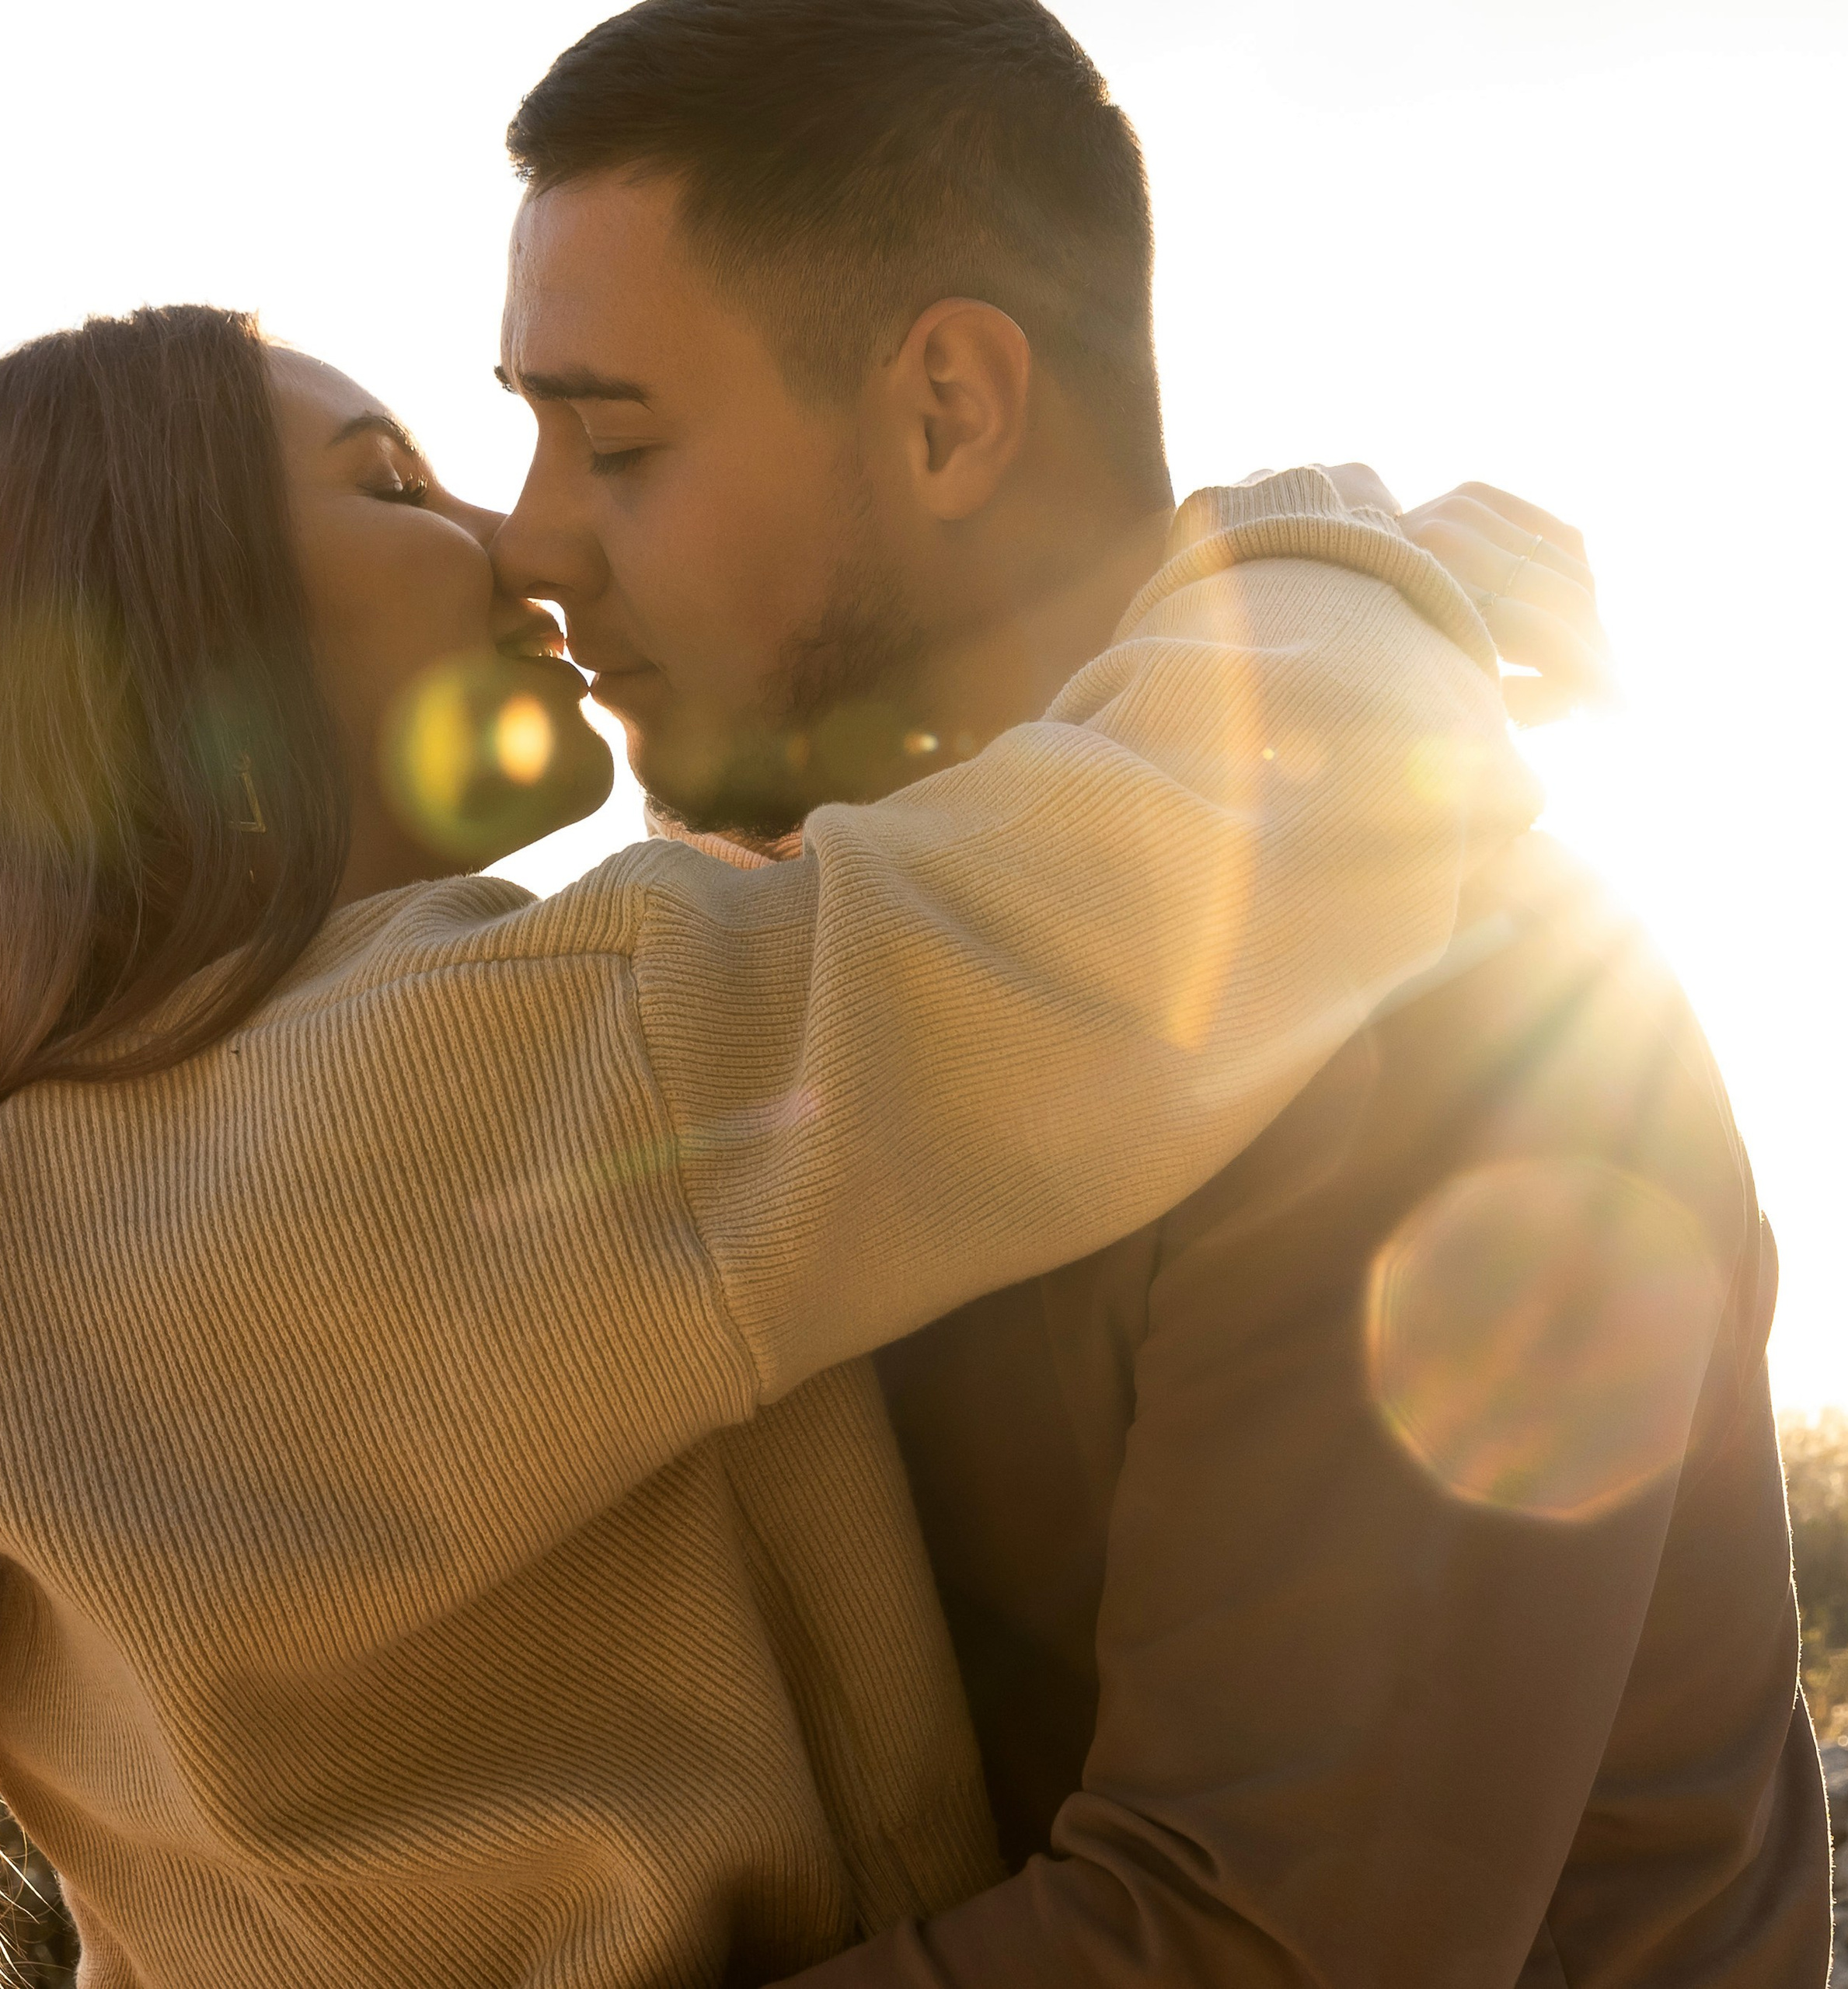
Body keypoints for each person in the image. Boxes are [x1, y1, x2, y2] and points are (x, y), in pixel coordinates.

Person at [490, 2, 1832, 1984]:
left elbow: (1253, 1942)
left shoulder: (1460, 1001)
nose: (528, 541)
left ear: (945, 406)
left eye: (614, 440)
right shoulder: (811, 966)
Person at [0, 291, 1532, 1989]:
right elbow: (1198, 881)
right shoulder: (503, 1059)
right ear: (179, 617)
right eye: (396, 488)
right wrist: (1328, 558)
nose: (512, 538)